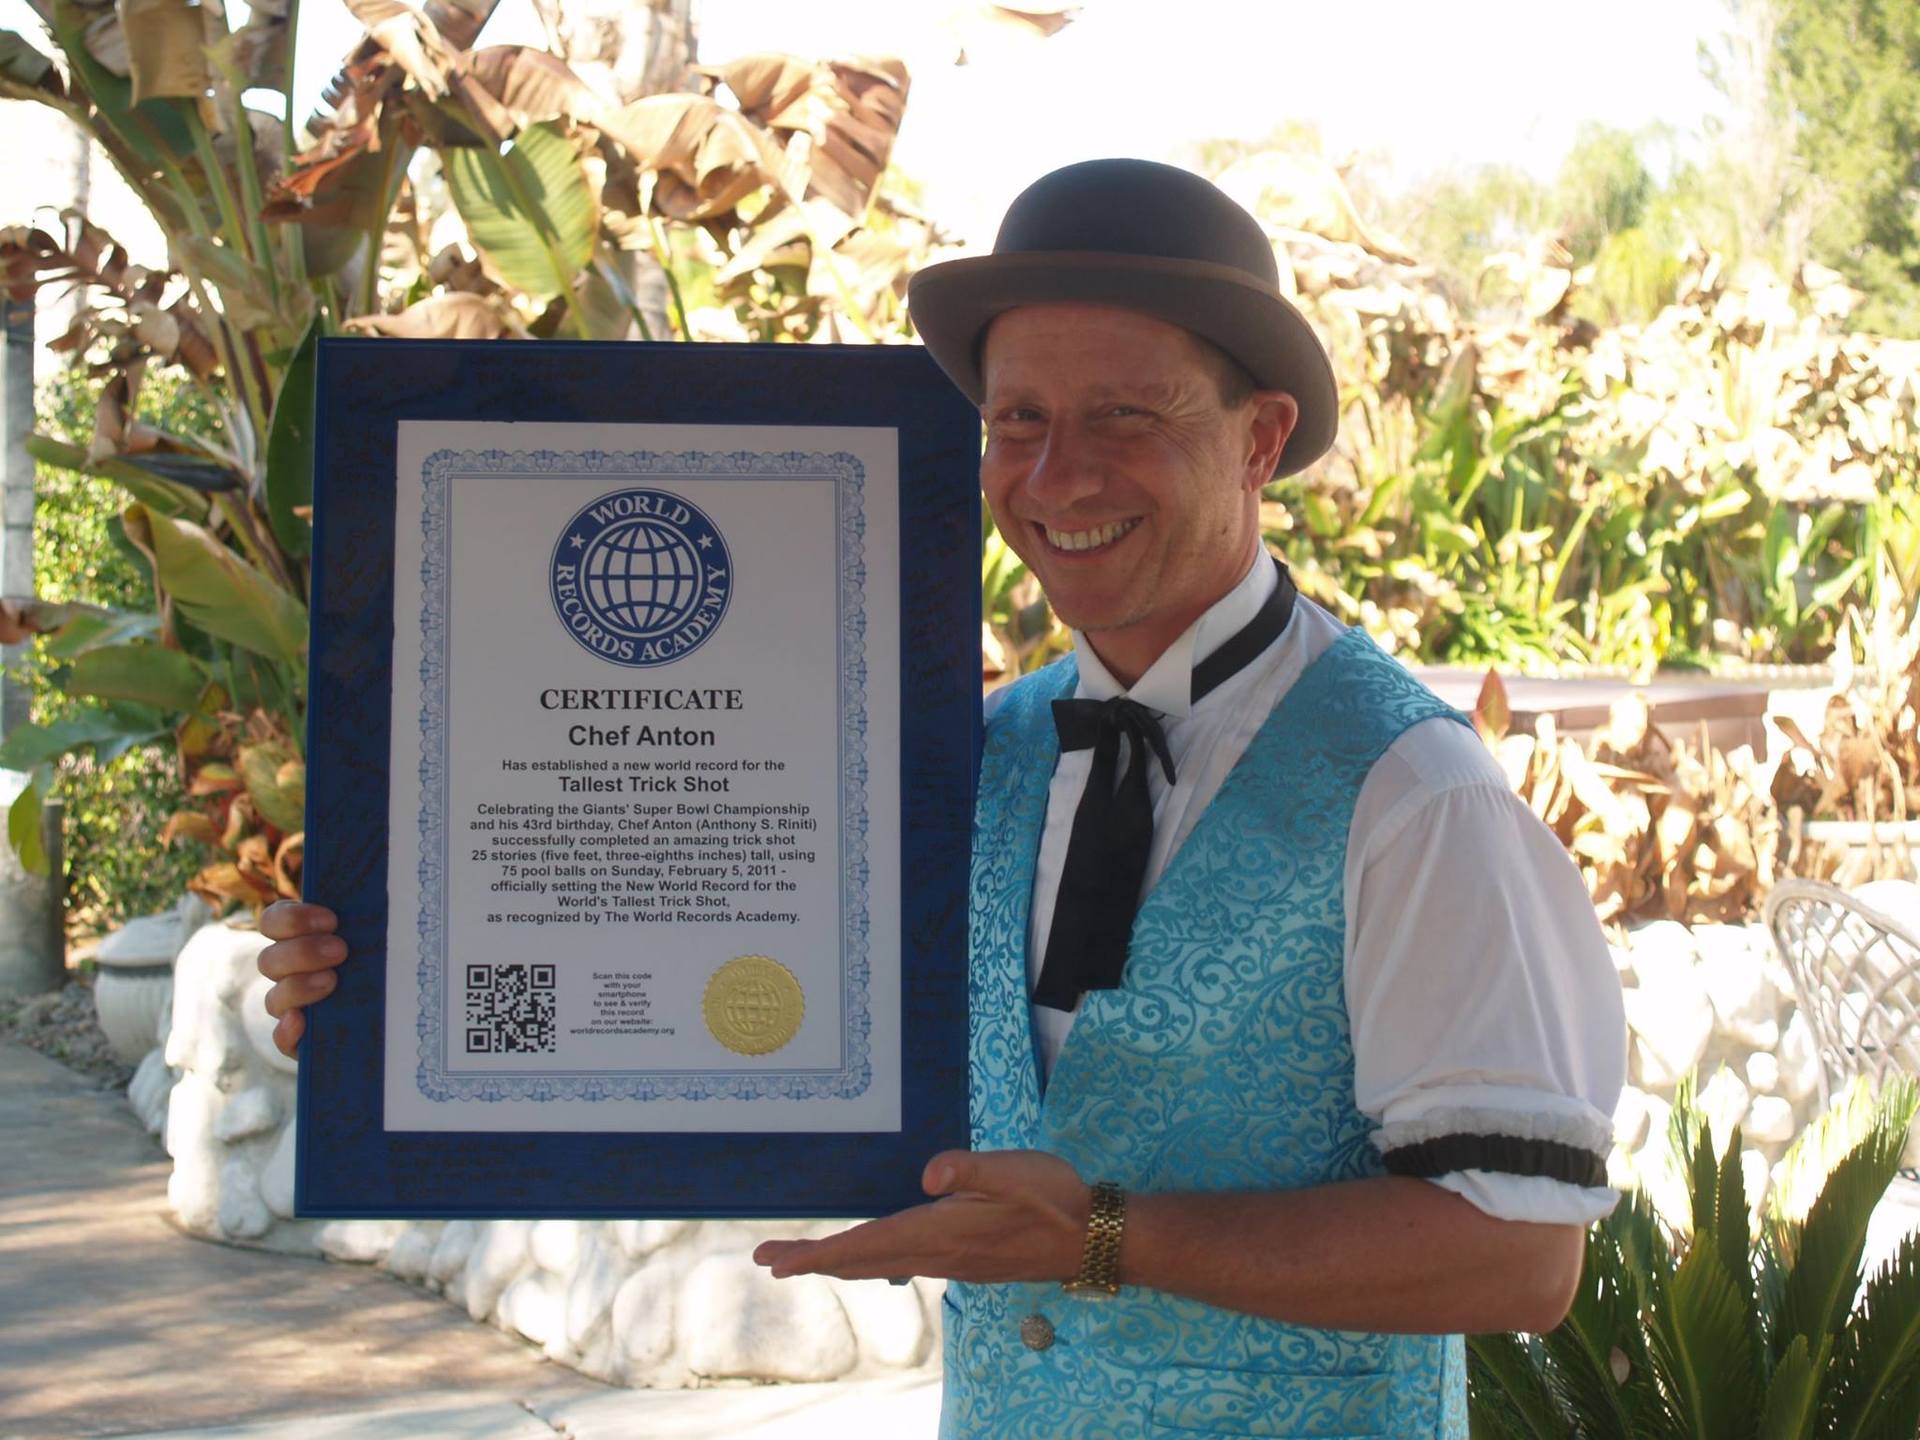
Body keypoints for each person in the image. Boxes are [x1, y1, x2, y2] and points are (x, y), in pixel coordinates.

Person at [259, 159, 1626, 1438]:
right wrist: (388, 991)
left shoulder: (1413, 793)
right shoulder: (954, 763)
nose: (1055, 477)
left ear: (1260, 439)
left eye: (1122, 419)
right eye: (1018, 420)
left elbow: (1517, 1256)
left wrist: (1108, 1237)